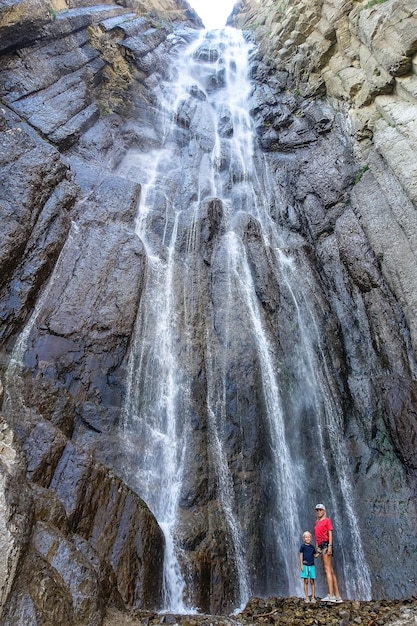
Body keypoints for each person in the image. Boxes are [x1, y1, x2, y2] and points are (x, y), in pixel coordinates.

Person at [314, 503, 343, 603]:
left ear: (324, 511)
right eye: (317, 510)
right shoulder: (317, 522)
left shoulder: (327, 520)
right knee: (330, 570)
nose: (318, 512)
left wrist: (330, 546)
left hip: (326, 545)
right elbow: (317, 536)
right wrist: (317, 548)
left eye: (320, 510)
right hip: (321, 546)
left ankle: (331, 595)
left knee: (327, 570)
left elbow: (330, 534)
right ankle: (337, 596)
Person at [299, 531, 318, 603]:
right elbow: (301, 555)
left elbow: (315, 556)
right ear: (304, 539)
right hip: (305, 565)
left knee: (312, 581)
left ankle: (313, 597)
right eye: (306, 537)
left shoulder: (312, 547)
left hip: (312, 566)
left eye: (309, 537)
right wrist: (301, 565)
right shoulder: (302, 547)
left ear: (311, 538)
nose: (308, 538)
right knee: (306, 581)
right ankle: (307, 597)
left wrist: (319, 552)